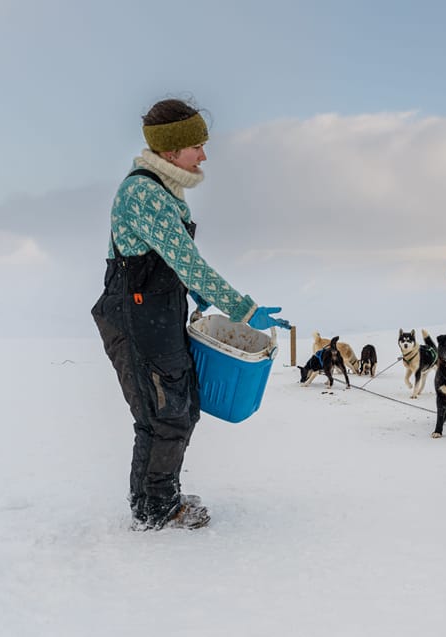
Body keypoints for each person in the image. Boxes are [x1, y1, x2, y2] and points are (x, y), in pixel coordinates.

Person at [91, 98, 290, 531]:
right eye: (197, 146)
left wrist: (195, 292)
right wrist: (243, 309)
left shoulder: (164, 191)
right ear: (170, 150)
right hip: (135, 318)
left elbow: (170, 261)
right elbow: (187, 261)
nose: (204, 155)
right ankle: (155, 509)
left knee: (179, 408)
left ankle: (157, 499)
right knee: (163, 413)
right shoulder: (143, 192)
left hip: (157, 313)